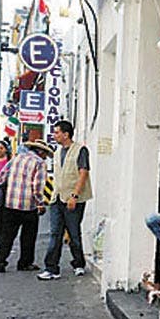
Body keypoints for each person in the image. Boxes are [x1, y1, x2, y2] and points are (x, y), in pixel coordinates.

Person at [38, 120, 93, 280]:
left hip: (73, 198)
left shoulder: (80, 150)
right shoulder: (57, 152)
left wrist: (74, 195)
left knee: (73, 233)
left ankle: (78, 263)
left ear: (66, 134)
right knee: (55, 233)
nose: (54, 135)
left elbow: (83, 173)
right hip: (57, 198)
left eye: (57, 132)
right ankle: (51, 268)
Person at [0, 140, 52, 273]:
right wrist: (40, 203)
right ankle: (25, 263)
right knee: (28, 237)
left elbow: (1, 177)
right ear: (41, 152)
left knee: (7, 235)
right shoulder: (39, 163)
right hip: (28, 205)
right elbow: (37, 187)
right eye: (45, 154)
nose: (45, 157)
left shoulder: (17, 158)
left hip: (10, 203)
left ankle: (0, 261)